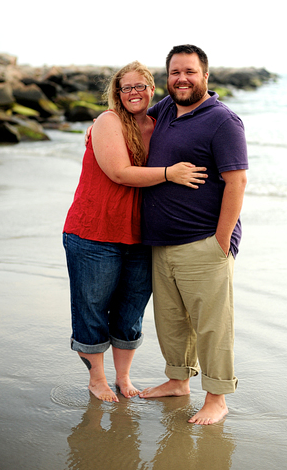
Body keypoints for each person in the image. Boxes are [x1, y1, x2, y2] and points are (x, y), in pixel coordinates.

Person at [63, 61, 207, 402]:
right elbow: (119, 172)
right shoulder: (107, 122)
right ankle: (97, 379)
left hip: (141, 233)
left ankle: (123, 378)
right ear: (117, 93)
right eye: (126, 88)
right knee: (93, 307)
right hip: (94, 231)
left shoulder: (159, 125)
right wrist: (170, 173)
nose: (133, 93)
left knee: (130, 310)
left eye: (140, 86)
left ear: (152, 90)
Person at [138, 44, 249, 425]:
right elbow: (132, 120)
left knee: (212, 325)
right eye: (174, 73)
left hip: (203, 243)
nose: (181, 79)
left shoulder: (223, 121)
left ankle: (217, 399)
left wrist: (222, 241)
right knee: (170, 320)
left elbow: (237, 182)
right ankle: (177, 382)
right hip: (161, 242)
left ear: (205, 75)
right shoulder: (166, 108)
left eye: (189, 72)